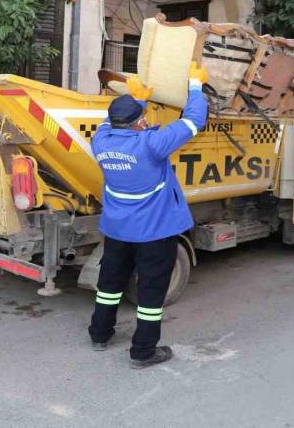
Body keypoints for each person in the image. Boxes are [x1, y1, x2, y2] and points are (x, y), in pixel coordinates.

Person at [88, 62, 209, 369]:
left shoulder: (100, 141)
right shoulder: (152, 145)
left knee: (110, 283)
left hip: (117, 229)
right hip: (154, 232)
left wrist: (137, 100)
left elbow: (110, 120)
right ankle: (143, 351)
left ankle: (100, 334)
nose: (145, 121)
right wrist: (195, 86)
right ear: (139, 124)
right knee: (151, 291)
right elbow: (194, 119)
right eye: (142, 118)